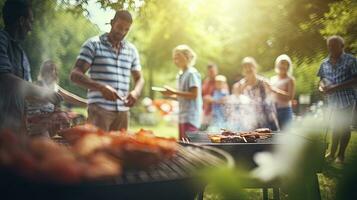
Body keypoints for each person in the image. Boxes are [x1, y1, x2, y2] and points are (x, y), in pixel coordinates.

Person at [70, 10, 144, 131]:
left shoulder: (131, 50)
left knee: (121, 149)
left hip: (123, 112)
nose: (122, 32)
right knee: (97, 148)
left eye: (126, 29)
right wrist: (101, 87)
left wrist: (136, 92)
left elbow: (139, 78)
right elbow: (75, 75)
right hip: (99, 110)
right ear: (112, 22)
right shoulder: (93, 44)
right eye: (119, 27)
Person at [0, 0, 63, 134]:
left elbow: (24, 95)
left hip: (12, 133)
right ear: (22, 21)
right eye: (30, 21)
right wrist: (45, 93)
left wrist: (43, 119)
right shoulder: (1, 40)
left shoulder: (22, 55)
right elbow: (5, 80)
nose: (31, 27)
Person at [318, 35, 357, 164]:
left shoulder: (351, 60)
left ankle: (341, 155)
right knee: (335, 127)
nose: (332, 48)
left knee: (344, 127)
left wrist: (335, 88)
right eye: (330, 46)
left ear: (342, 46)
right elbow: (321, 80)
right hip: (332, 100)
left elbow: (355, 80)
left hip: (347, 98)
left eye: (335, 46)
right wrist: (322, 87)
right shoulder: (324, 63)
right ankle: (331, 154)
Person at [27, 60, 87, 137]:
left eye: (54, 69)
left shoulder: (54, 86)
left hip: (49, 117)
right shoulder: (38, 84)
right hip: (37, 118)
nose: (52, 72)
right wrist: (46, 97)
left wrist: (87, 103)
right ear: (43, 72)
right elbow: (28, 98)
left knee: (75, 117)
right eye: (49, 69)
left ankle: (64, 135)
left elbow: (70, 97)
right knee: (61, 117)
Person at [162, 44, 202, 140]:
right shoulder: (180, 75)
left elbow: (194, 95)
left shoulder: (191, 73)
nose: (176, 61)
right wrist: (170, 95)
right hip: (182, 116)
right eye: (174, 58)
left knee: (190, 146)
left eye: (178, 57)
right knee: (183, 144)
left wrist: (174, 92)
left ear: (187, 57)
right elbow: (183, 96)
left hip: (191, 117)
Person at [232, 57, 281, 131]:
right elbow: (236, 99)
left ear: (255, 68)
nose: (248, 69)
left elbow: (272, 95)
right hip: (250, 119)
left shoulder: (264, 82)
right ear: (243, 71)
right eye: (246, 67)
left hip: (266, 116)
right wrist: (243, 87)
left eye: (250, 67)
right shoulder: (240, 84)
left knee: (269, 139)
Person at [270, 54, 296, 129]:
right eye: (281, 63)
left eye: (285, 64)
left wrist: (275, 90)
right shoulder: (272, 79)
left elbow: (290, 97)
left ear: (288, 66)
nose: (283, 66)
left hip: (285, 111)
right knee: (273, 136)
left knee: (286, 135)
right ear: (277, 65)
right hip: (273, 111)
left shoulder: (290, 80)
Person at [201, 63, 218, 129]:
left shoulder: (220, 82)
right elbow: (201, 95)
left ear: (216, 71)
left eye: (212, 71)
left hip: (215, 113)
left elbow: (225, 98)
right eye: (209, 72)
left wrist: (212, 99)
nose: (211, 73)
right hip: (205, 111)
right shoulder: (206, 81)